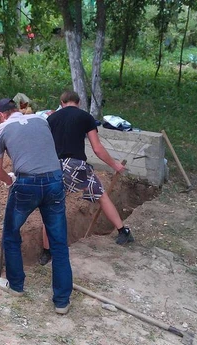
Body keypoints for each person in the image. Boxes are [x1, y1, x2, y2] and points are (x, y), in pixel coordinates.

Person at [0, 98, 73, 315]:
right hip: (55, 180)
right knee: (59, 243)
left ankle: (16, 286)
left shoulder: (0, 130)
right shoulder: (41, 119)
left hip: (26, 183)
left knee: (10, 233)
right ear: (16, 110)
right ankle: (62, 302)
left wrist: (11, 181)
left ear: (0, 115)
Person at [38, 91, 134, 265]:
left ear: (61, 102)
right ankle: (123, 232)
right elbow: (97, 148)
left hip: (55, 167)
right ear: (79, 102)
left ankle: (46, 252)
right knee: (102, 196)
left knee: (51, 207)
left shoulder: (51, 119)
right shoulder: (85, 117)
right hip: (77, 166)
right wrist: (115, 165)